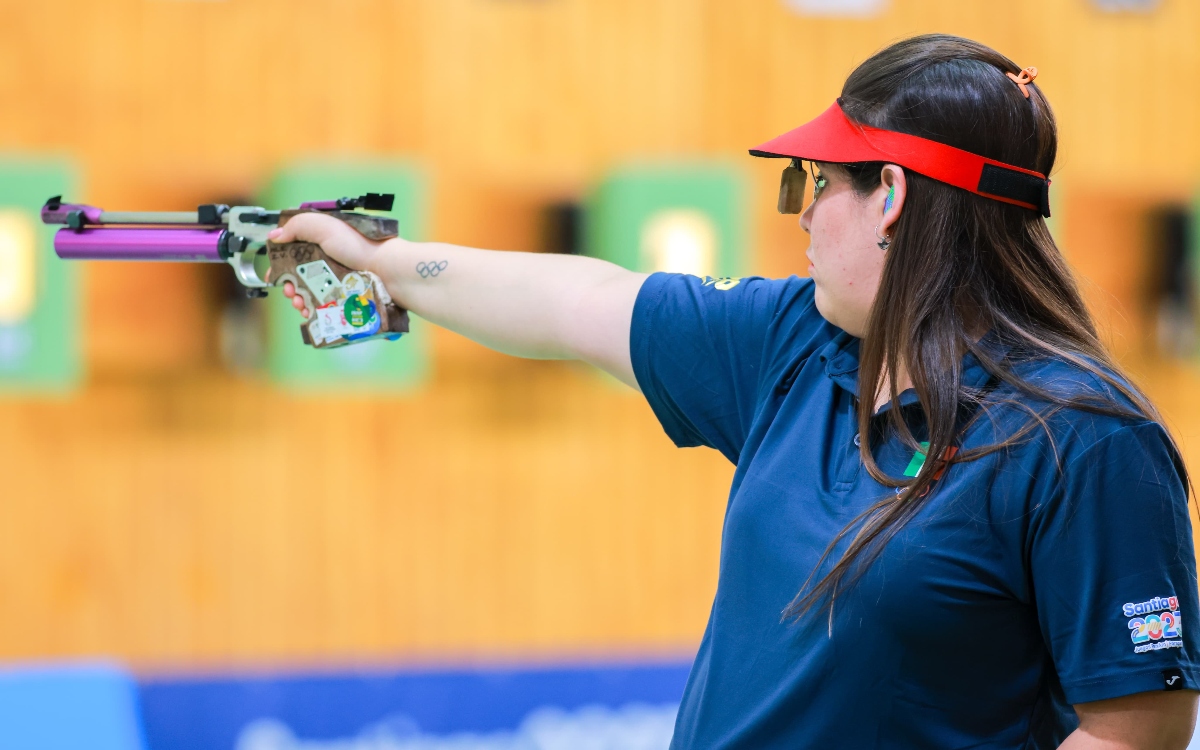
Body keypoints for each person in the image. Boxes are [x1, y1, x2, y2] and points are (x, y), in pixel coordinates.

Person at [269, 34, 1199, 749]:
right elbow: (577, 301)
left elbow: (1136, 728)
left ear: (891, 197)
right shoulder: (791, 338)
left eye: (813, 182)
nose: (800, 213)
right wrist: (380, 261)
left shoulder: (1085, 438)